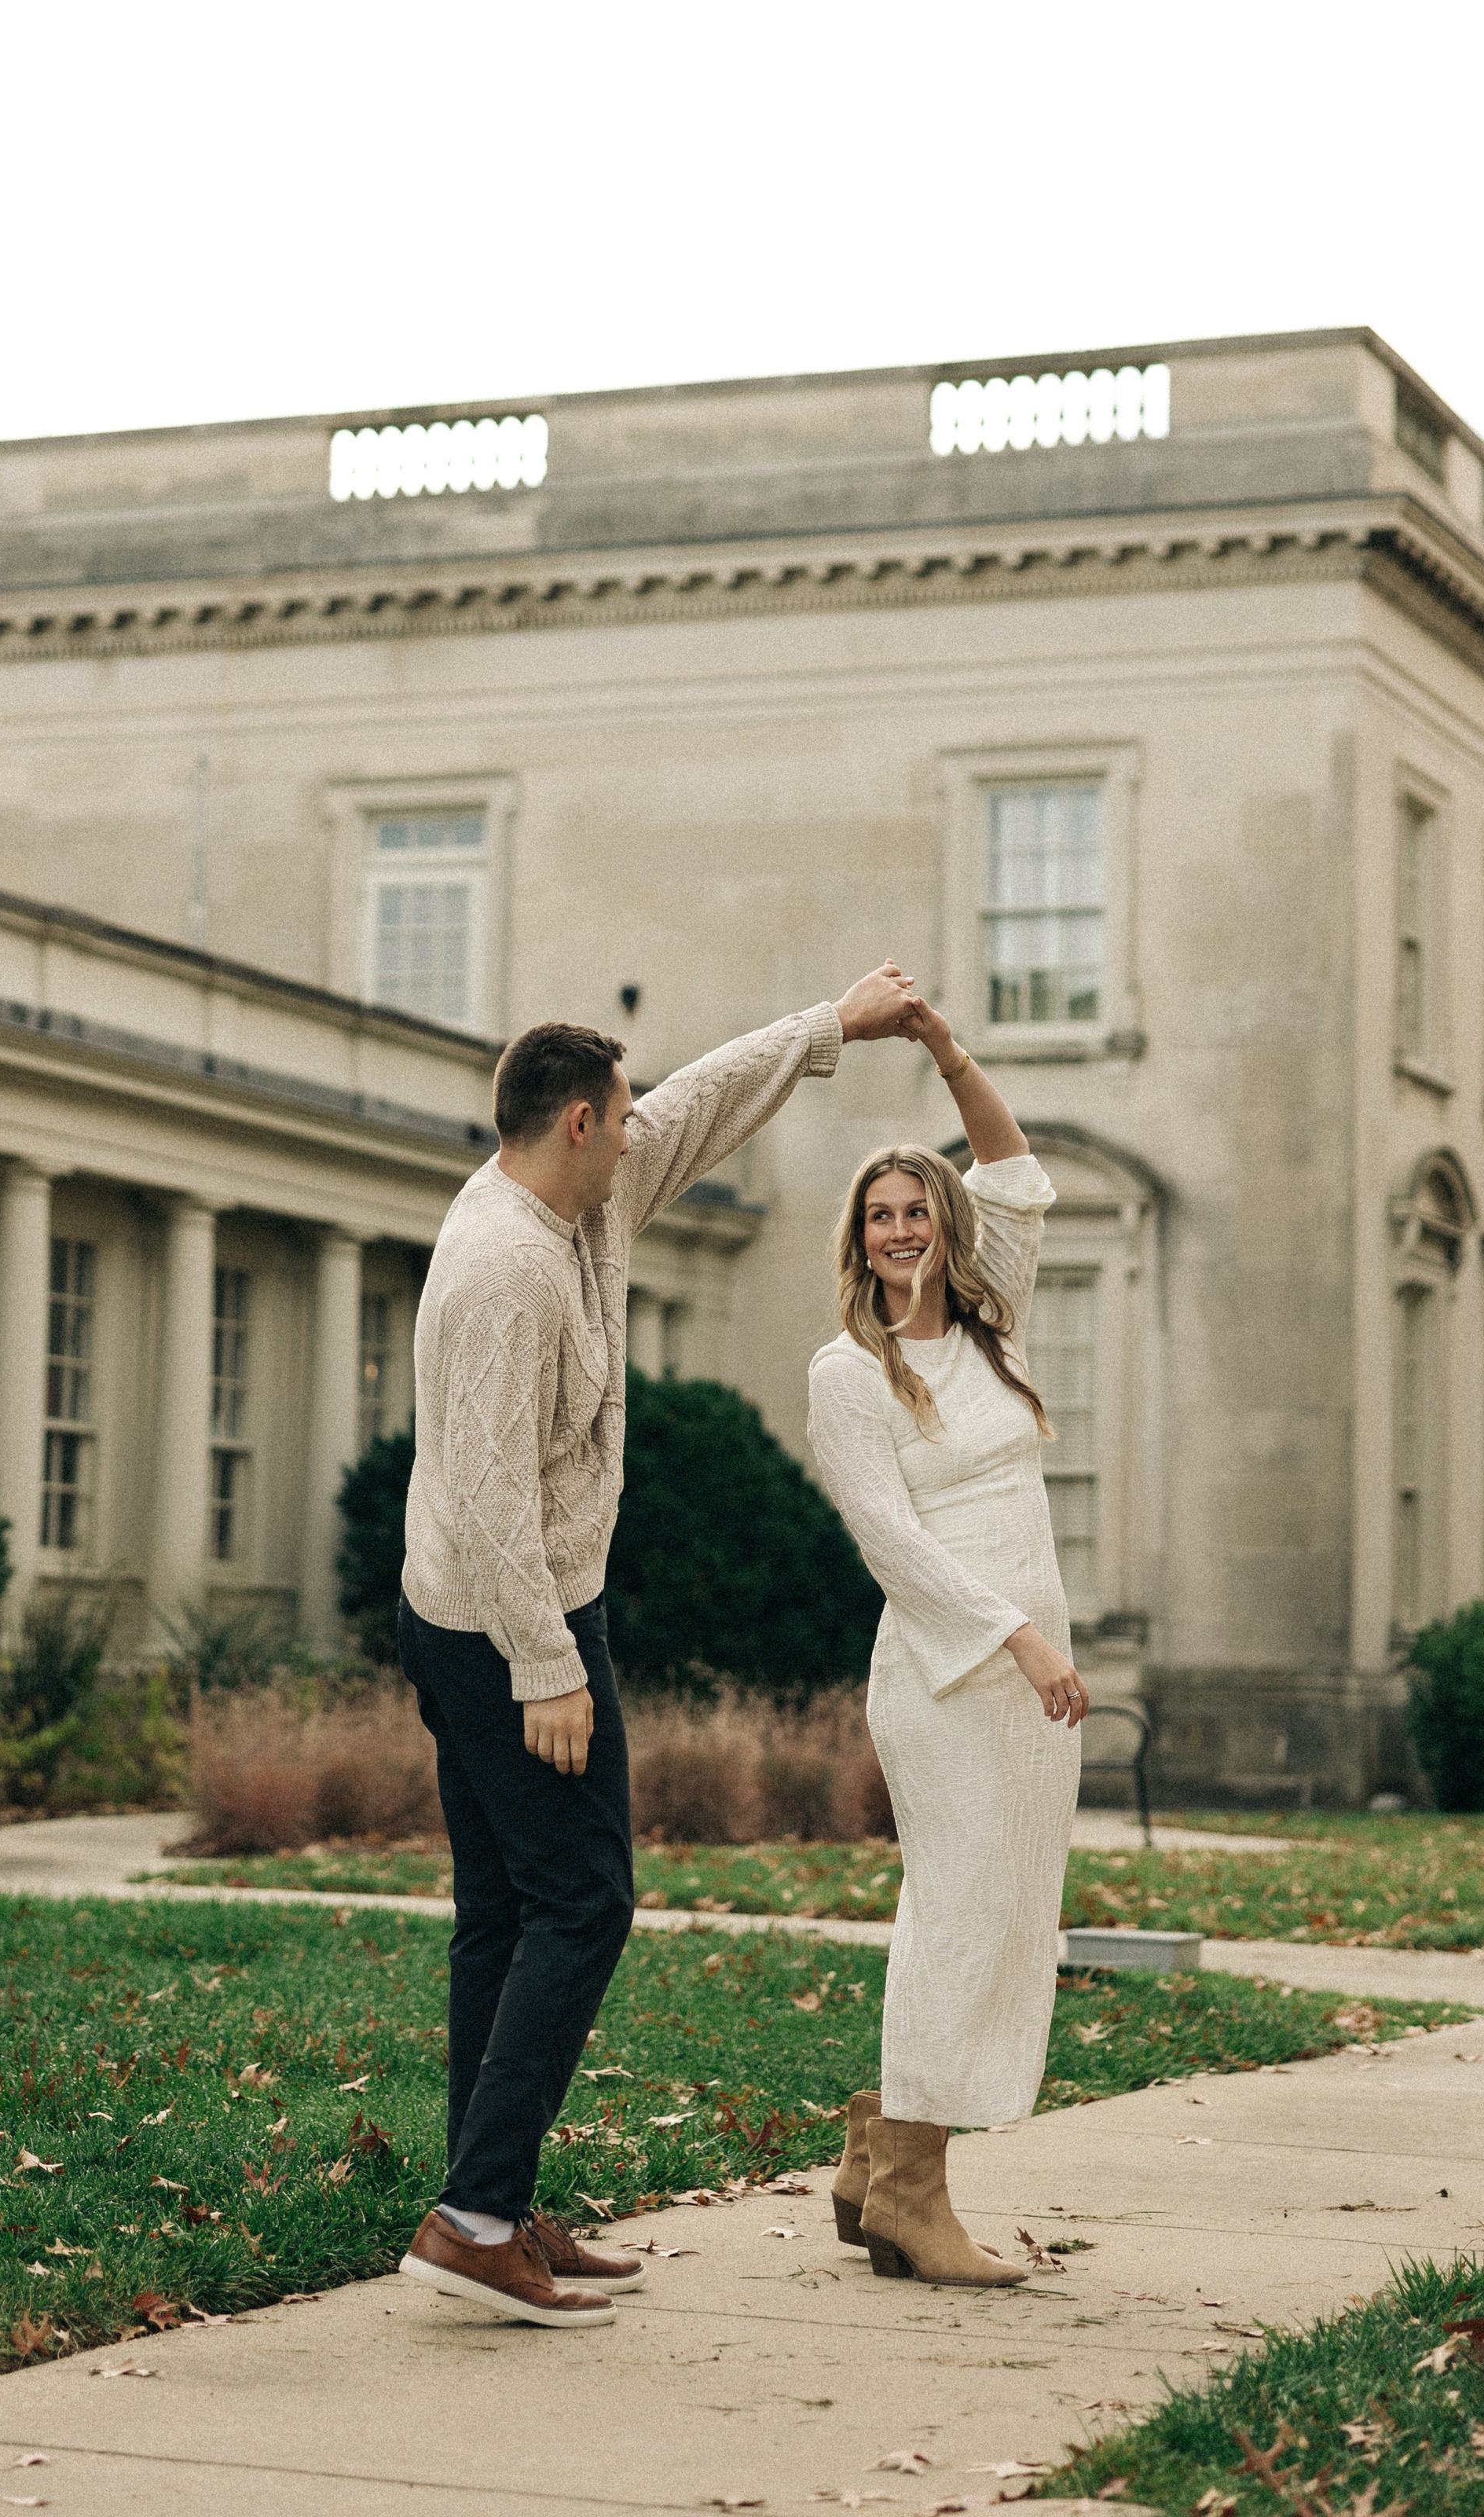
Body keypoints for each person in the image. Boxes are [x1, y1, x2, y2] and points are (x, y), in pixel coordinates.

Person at [398, 962, 923, 2328]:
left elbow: (701, 1101)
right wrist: (547, 1666)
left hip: (495, 1604)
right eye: (617, 1118)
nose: (637, 1132)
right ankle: (475, 2218)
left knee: (507, 1913)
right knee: (583, 1902)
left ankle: (486, 2197)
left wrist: (831, 1025)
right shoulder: (506, 1265)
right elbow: (490, 1490)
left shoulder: (589, 1193)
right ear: (575, 1122)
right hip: (500, 1619)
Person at [806, 1000, 1088, 2287]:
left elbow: (1020, 1176)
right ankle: (916, 2196)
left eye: (920, 1208)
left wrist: (946, 1054)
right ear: (860, 1239)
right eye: (882, 1213)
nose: (904, 1229)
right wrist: (1017, 1640)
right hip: (947, 1663)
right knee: (957, 1912)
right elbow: (889, 1543)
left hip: (1034, 1654)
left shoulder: (994, 1324)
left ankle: (876, 2147)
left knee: (1003, 1907)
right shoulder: (845, 1374)